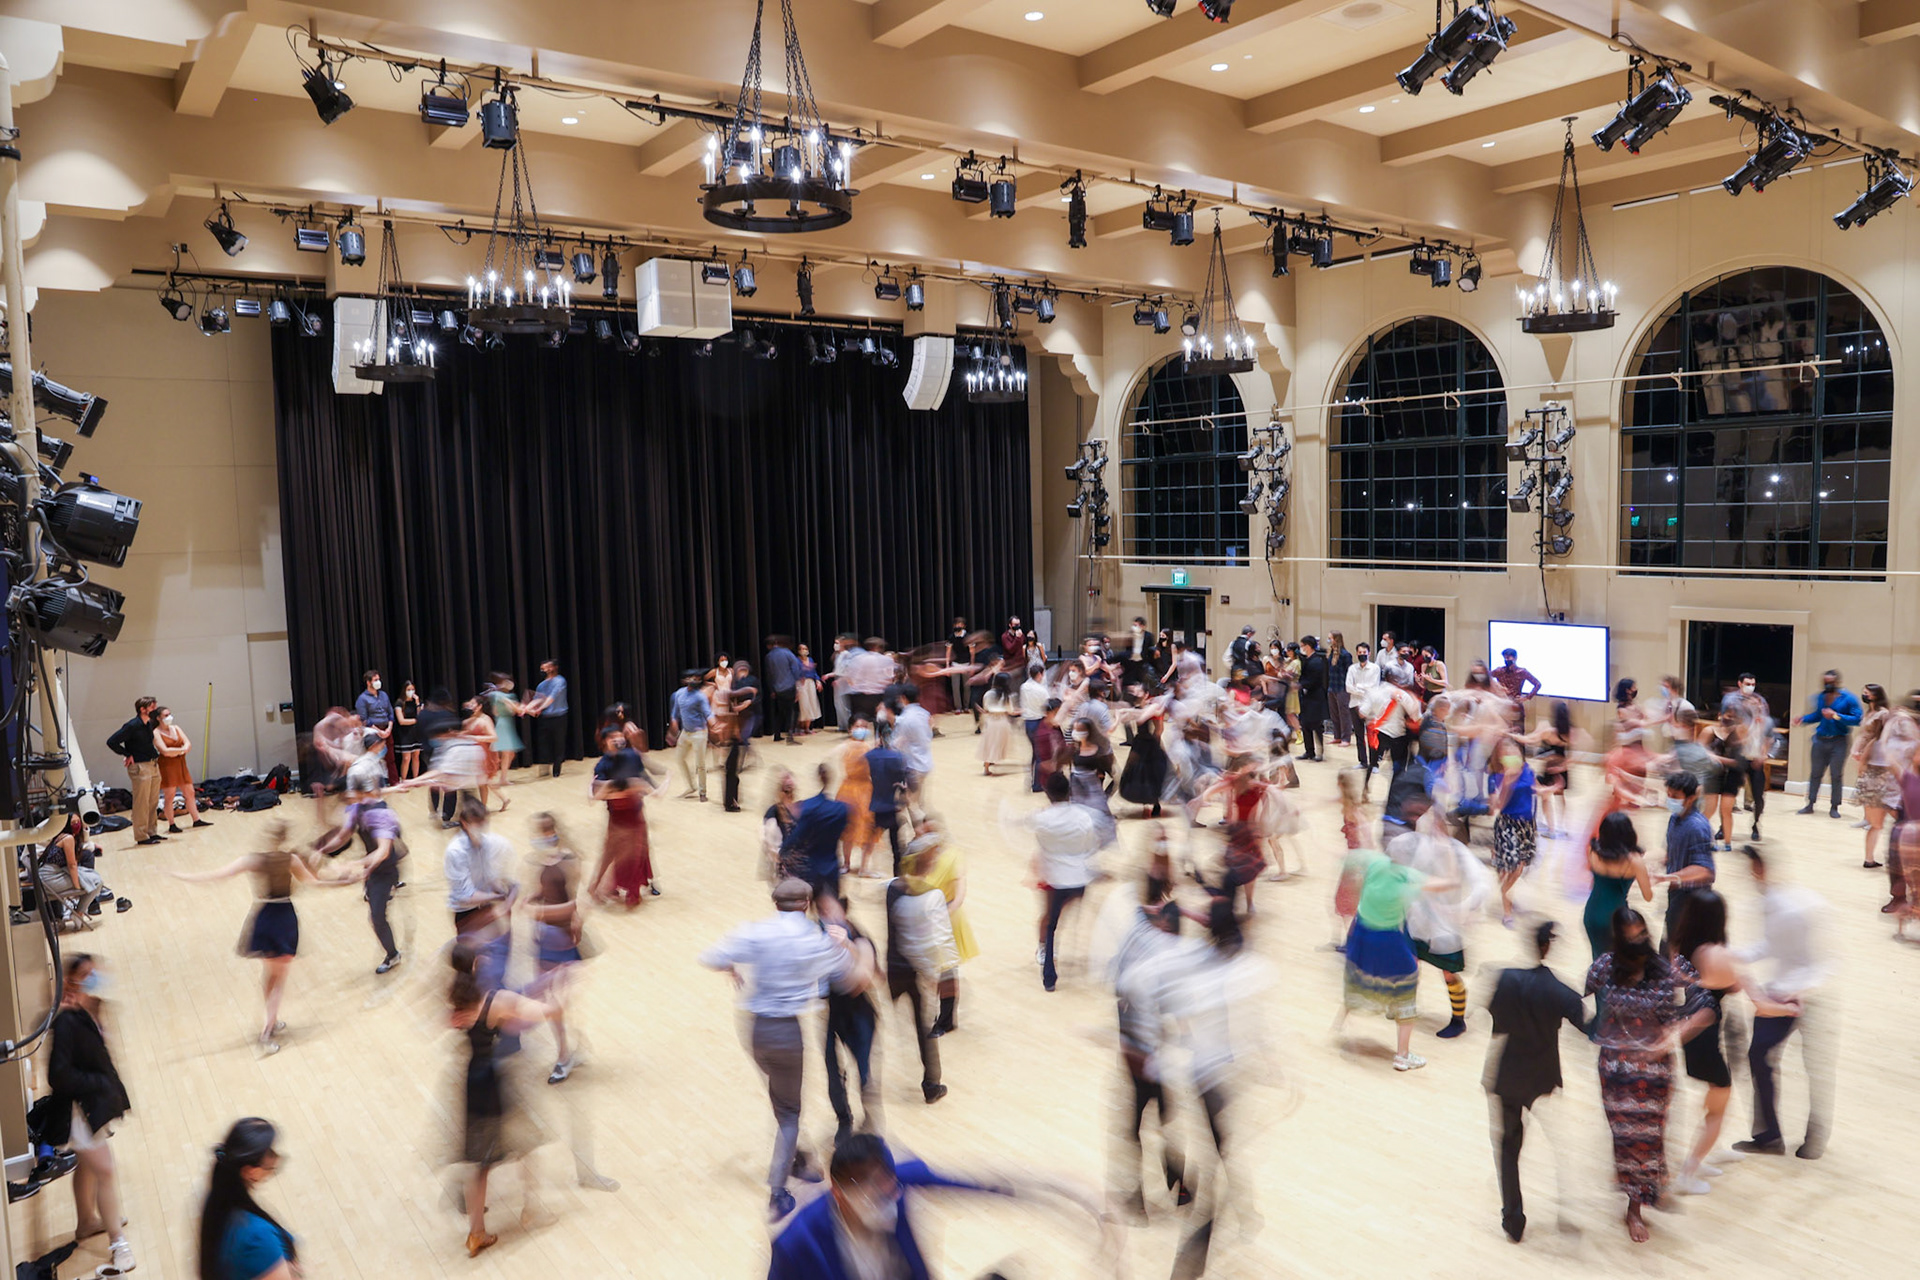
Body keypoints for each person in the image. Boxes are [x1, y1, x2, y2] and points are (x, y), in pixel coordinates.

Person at [700, 878, 857, 1222]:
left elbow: (709, 956)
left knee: (779, 1099)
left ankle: (798, 1157)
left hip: (755, 1031)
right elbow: (846, 975)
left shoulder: (756, 931)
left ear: (776, 903)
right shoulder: (813, 938)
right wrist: (842, 943)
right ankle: (778, 1191)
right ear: (806, 904)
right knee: (788, 1113)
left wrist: (730, 967)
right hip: (787, 1032)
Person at [1584, 906, 1712, 1243]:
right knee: (1627, 1140)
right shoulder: (1605, 968)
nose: (1639, 941)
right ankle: (1634, 1207)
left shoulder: (1667, 969)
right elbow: (1579, 997)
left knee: (1652, 1137)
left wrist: (1678, 1031)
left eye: (1642, 933)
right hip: (1616, 1070)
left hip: (1655, 1069)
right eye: (1631, 938)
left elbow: (1705, 997)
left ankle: (1650, 1190)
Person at [171, 820, 356, 1051]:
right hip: (284, 918)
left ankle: (272, 1020)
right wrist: (344, 881)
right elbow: (314, 882)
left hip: (263, 916)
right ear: (285, 838)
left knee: (270, 976)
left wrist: (184, 876)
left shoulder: (254, 860)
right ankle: (266, 1033)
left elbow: (217, 875)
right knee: (278, 979)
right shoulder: (291, 860)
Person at [1668, 889, 1801, 1195]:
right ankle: (1688, 1172)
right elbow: (1761, 1003)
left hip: (1692, 1037)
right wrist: (1790, 1008)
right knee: (1718, 1104)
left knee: (1716, 1101)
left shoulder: (1680, 948)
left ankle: (1702, 1155)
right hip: (1706, 1041)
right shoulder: (1720, 956)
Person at [767, 1134, 1018, 1279]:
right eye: (876, 1197)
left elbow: (936, 1178)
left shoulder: (896, 1180)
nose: (889, 1203)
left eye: (890, 1191)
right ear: (839, 1195)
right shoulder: (796, 1243)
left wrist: (1000, 1188)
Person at [448, 937, 562, 1256]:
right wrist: (558, 991)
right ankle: (532, 1210)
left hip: (472, 1079)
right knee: (526, 1142)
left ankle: (476, 1233)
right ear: (476, 964)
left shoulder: (457, 1000)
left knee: (479, 1162)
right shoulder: (495, 1000)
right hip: (495, 1079)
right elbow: (542, 1012)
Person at [1485, 921, 1588, 1243]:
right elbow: (1591, 1028)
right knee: (1559, 1144)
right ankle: (1567, 1208)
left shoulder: (1503, 979)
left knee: (1507, 1149)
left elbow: (1498, 1024)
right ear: (1548, 947)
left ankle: (1513, 1220)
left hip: (1508, 1075)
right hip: (1543, 1077)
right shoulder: (1560, 990)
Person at [1733, 845, 1833, 1159]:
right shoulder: (1782, 902)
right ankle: (1778, 1138)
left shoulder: (1792, 907)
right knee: (1770, 1058)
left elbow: (1817, 959)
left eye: (1753, 871)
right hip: (1792, 992)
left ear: (1761, 871)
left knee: (1791, 1062)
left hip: (1802, 995)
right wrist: (1737, 956)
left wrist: (1800, 991)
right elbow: (1772, 946)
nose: (1751, 877)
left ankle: (1787, 1138)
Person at [47, 953, 136, 1276]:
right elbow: (59, 1076)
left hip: (94, 1104)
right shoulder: (67, 1021)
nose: (95, 977)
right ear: (71, 981)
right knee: (106, 1171)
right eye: (87, 974)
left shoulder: (93, 1007)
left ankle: (86, 1222)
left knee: (87, 1165)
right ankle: (119, 1244)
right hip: (79, 1111)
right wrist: (97, 1083)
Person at [1335, 842, 1459, 1071]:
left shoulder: (1375, 861)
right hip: (1387, 939)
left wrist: (1354, 893)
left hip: (1361, 932)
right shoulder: (1406, 876)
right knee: (1408, 985)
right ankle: (1402, 1056)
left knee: (1358, 972)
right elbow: (1447, 885)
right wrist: (1451, 858)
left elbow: (1347, 857)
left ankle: (1343, 1015)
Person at [311, 733, 408, 973]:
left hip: (384, 867)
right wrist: (322, 850)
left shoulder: (380, 814)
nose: (348, 798)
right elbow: (343, 834)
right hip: (373, 867)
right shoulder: (356, 808)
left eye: (352, 794)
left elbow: (382, 853)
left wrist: (351, 866)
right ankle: (393, 952)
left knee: (376, 915)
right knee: (375, 917)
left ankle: (392, 954)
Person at [885, 841, 952, 1106]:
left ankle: (866, 1077)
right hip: (915, 971)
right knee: (924, 1028)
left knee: (874, 1022)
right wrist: (936, 972)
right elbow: (934, 938)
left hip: (892, 966)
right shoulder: (930, 896)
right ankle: (931, 1084)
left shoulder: (892, 889)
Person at [1026, 772, 1101, 993]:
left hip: (1056, 879)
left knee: (1051, 924)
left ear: (1047, 794)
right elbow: (1090, 845)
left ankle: (1049, 975)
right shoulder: (1084, 816)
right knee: (1064, 918)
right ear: (1069, 792)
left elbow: (1019, 827)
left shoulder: (1041, 818)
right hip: (1079, 880)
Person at [814, 892, 881, 1142]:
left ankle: (871, 1121)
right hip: (834, 1016)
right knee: (833, 1071)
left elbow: (863, 980)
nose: (827, 916)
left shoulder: (860, 939)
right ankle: (844, 1120)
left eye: (832, 910)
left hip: (860, 1016)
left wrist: (847, 947)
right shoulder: (818, 939)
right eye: (822, 911)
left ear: (844, 911)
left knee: (863, 1073)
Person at [197, 1116, 295, 1280]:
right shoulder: (258, 1237)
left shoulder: (216, 1201)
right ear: (251, 1171)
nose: (275, 1157)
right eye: (270, 1152)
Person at [903, 820, 974, 1034]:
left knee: (946, 973)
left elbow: (959, 896)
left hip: (944, 921)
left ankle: (946, 1020)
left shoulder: (952, 856)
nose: (917, 839)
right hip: (923, 918)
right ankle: (931, 1013)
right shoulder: (916, 856)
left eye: (922, 835)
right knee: (928, 972)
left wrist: (940, 914)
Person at [590, 726, 656, 906]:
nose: (619, 740)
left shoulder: (632, 756)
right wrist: (625, 788)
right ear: (605, 741)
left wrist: (649, 787)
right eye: (613, 737)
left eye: (620, 736)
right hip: (617, 815)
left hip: (635, 812)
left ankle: (633, 890)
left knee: (638, 851)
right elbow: (597, 790)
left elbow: (642, 774)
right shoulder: (602, 765)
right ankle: (597, 886)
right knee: (612, 852)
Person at [1653, 770, 1716, 949]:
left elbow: (1705, 871)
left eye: (1675, 796)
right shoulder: (1675, 819)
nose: (1670, 800)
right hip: (1676, 895)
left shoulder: (1697, 827)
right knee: (1669, 946)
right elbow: (1673, 852)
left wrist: (1667, 878)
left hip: (1691, 900)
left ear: (1690, 799)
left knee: (1678, 950)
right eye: (1668, 795)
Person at [1584, 811, 1653, 958]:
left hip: (1591, 912)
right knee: (1618, 962)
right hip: (1615, 917)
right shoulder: (1634, 860)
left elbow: (1595, 882)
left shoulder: (1593, 850)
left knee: (1598, 960)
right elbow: (1648, 896)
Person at [1797, 668, 1863, 817]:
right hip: (1820, 740)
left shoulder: (1848, 698)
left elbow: (1858, 719)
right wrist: (1803, 719)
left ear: (1837, 682)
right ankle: (1810, 803)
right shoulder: (1821, 697)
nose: (1827, 685)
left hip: (1839, 741)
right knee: (1815, 773)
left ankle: (1834, 807)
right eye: (1825, 682)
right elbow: (1817, 715)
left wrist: (1836, 716)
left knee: (1836, 774)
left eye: (1830, 683)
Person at [782, 764, 851, 904]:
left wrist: (783, 850)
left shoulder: (808, 807)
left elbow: (797, 836)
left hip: (811, 868)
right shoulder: (841, 809)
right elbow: (844, 832)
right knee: (832, 906)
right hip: (831, 866)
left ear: (818, 778)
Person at [1850, 684, 1900, 867]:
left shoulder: (1883, 714)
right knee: (1878, 822)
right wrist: (1856, 751)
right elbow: (1863, 736)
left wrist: (1862, 755)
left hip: (1883, 768)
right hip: (1872, 768)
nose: (1864, 695)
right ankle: (1869, 859)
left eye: (1867, 692)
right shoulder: (1868, 714)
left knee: (1896, 816)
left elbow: (1880, 739)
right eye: (1863, 691)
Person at [106, 695, 164, 846]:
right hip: (140, 767)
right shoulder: (132, 725)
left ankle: (151, 832)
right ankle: (141, 835)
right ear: (142, 709)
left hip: (153, 765)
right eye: (151, 707)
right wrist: (127, 754)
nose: (154, 710)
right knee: (141, 802)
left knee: (152, 801)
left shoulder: (148, 725)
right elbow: (112, 741)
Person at [834, 717, 883, 878]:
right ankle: (846, 863)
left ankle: (864, 867)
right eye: (857, 726)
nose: (861, 729)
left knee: (868, 828)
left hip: (866, 789)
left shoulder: (870, 747)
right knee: (847, 828)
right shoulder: (846, 746)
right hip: (848, 790)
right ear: (850, 729)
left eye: (864, 726)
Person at [36, 814, 109, 921]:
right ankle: (79, 914)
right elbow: (72, 865)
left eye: (78, 822)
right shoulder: (68, 838)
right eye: (73, 823)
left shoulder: (61, 836)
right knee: (96, 883)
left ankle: (78, 913)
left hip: (48, 875)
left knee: (90, 877)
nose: (77, 825)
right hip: (50, 879)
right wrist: (77, 886)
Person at [151, 704, 211, 832]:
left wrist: (179, 750)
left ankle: (196, 819)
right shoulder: (156, 733)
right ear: (158, 718)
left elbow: (188, 744)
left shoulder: (176, 728)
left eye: (169, 714)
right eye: (166, 715)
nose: (169, 717)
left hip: (181, 764)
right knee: (169, 796)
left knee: (190, 792)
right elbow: (165, 751)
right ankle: (171, 824)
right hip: (167, 766)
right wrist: (181, 750)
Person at [866, 722, 910, 876]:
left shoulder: (870, 755)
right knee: (897, 847)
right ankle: (897, 876)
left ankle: (863, 867)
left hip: (876, 805)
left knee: (869, 841)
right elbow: (902, 782)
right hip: (891, 807)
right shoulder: (897, 756)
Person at [725, 659, 763, 812]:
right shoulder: (734, 683)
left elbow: (757, 696)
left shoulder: (752, 680)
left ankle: (748, 758)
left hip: (749, 715)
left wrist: (748, 703)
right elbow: (732, 696)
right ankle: (731, 800)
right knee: (733, 761)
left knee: (743, 740)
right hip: (738, 719)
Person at [669, 668, 713, 801]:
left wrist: (715, 724)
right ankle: (691, 786)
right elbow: (675, 713)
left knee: (700, 764)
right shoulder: (679, 694)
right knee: (679, 758)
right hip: (685, 732)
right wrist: (674, 723)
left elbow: (708, 713)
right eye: (692, 678)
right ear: (685, 680)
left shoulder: (700, 696)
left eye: (697, 678)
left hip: (699, 733)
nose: (695, 680)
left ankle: (702, 792)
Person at [892, 683, 934, 809]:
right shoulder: (925, 714)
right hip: (926, 762)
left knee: (910, 803)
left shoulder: (905, 719)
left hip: (913, 765)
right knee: (919, 801)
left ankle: (918, 825)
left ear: (903, 698)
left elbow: (897, 743)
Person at [527, 658, 570, 778]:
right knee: (543, 744)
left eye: (545, 668)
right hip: (545, 718)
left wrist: (539, 709)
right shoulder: (541, 685)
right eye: (542, 668)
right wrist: (527, 708)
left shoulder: (560, 681)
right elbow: (537, 699)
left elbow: (551, 698)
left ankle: (557, 770)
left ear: (553, 668)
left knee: (559, 743)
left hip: (559, 717)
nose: (543, 670)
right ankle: (544, 769)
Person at [1345, 643, 1379, 772]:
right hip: (1354, 705)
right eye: (1359, 652)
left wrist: (1358, 687)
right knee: (1359, 736)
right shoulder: (1352, 669)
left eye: (1364, 652)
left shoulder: (1375, 668)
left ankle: (1374, 764)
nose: (1362, 655)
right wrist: (1362, 689)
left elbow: (1373, 688)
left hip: (1370, 706)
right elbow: (1348, 687)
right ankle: (1363, 761)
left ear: (1369, 653)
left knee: (1372, 736)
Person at [766, 635, 804, 745]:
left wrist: (772, 690)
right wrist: (798, 687)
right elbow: (795, 669)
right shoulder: (787, 653)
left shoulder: (769, 656)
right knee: (793, 712)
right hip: (789, 687)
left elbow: (769, 675)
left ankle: (777, 735)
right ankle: (790, 737)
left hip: (777, 689)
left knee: (780, 712)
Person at [1297, 635, 1329, 762]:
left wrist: (1301, 685)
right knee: (1305, 724)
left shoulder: (1316, 661)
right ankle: (1309, 751)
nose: (1302, 648)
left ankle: (1320, 752)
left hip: (1315, 698)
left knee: (1316, 725)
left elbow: (1314, 680)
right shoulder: (1307, 659)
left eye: (1303, 645)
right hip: (1307, 697)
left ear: (1308, 646)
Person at [1020, 661, 1051, 792]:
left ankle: (1032, 779)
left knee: (1035, 753)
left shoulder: (1024, 686)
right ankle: (1038, 784)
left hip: (1027, 722)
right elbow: (1047, 706)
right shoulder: (1041, 690)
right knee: (1040, 755)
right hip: (1038, 722)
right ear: (1039, 674)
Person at [393, 680, 424, 781]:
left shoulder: (416, 702)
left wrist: (418, 703)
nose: (411, 691)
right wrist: (415, 720)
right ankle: (404, 780)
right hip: (405, 733)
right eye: (408, 689)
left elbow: (421, 716)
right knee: (406, 758)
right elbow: (401, 721)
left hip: (416, 733)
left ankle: (416, 779)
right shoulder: (399, 703)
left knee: (416, 756)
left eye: (412, 689)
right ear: (404, 690)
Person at [796, 643, 824, 734]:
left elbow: (814, 672)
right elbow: (795, 672)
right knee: (804, 705)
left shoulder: (810, 659)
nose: (804, 650)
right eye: (802, 649)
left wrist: (818, 680)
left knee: (812, 704)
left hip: (810, 683)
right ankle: (800, 728)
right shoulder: (797, 660)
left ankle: (807, 728)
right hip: (801, 683)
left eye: (805, 648)